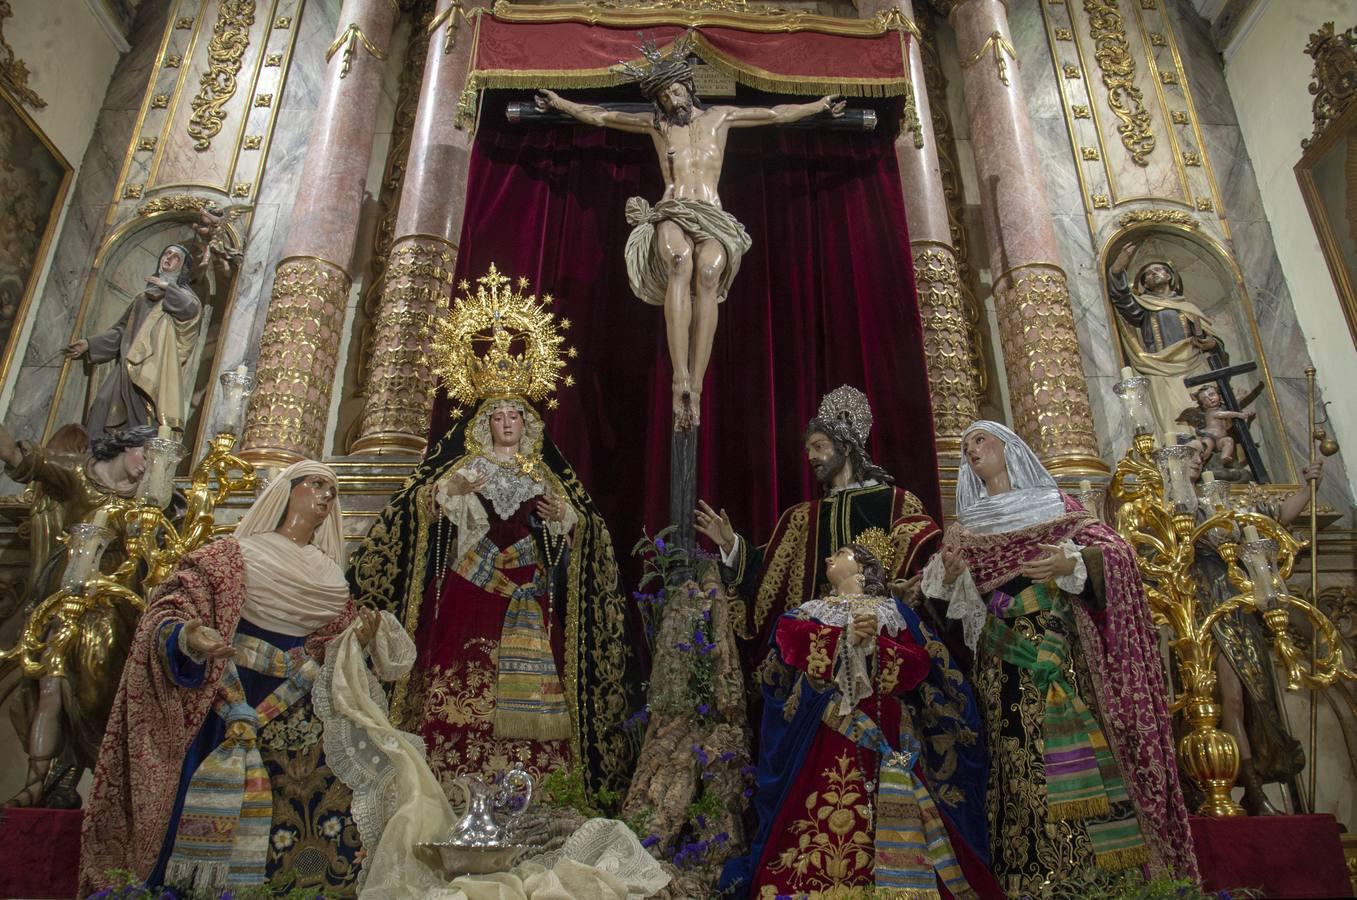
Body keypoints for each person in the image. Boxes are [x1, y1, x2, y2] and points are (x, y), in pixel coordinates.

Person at [696, 385, 990, 865]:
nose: (811, 457)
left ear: (846, 445)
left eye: (818, 447)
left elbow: (926, 567)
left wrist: (910, 590)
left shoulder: (896, 504)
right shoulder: (799, 518)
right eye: (808, 449)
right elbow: (765, 582)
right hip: (815, 672)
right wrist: (733, 548)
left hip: (881, 663)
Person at [79, 460, 385, 895]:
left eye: (332, 491)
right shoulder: (231, 555)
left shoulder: (331, 578)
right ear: (287, 491)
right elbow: (171, 607)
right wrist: (187, 635)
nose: (326, 496)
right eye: (316, 484)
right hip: (224, 695)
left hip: (291, 705)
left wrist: (359, 643)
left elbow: (332, 652)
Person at [921, 421, 1197, 893]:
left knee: (1082, 747)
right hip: (1003, 661)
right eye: (965, 448)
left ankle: (1111, 879)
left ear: (1009, 448)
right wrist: (950, 580)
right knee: (1016, 758)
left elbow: (1117, 554)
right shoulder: (966, 531)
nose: (971, 452)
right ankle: (1034, 879)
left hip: (1060, 651)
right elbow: (946, 612)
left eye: (980, 441)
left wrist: (1072, 564)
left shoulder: (1057, 507)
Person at [536, 33, 844, 429]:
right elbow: (602, 116)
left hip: (713, 214)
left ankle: (695, 383)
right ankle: (679, 374)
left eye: (676, 91)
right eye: (663, 97)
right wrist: (562, 103)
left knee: (710, 273)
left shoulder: (720, 118)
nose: (671, 101)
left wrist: (818, 105)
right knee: (680, 262)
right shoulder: (657, 127)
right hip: (673, 209)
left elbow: (775, 114)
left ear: (688, 87)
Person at [348, 396, 639, 796]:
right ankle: (445, 784)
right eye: (498, 417)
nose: (506, 424)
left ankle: (533, 789)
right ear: (486, 425)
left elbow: (579, 524)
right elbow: (424, 506)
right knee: (456, 667)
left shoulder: (543, 474)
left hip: (524, 589)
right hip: (471, 585)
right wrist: (452, 489)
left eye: (513, 417)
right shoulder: (467, 468)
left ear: (526, 425)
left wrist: (562, 517)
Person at [721, 543, 1002, 898]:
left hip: (886, 727)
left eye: (838, 553)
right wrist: (845, 641)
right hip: (828, 723)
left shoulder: (893, 612)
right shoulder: (810, 611)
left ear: (864, 566)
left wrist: (873, 650)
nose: (827, 557)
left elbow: (919, 661)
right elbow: (788, 639)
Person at [0, 423, 154, 809]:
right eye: (145, 455)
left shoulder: (151, 502)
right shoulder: (78, 476)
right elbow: (27, 462)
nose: (147, 466)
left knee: (96, 693)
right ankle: (35, 783)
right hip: (64, 599)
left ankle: (68, 775)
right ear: (126, 446)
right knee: (50, 688)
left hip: (112, 611)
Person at [1183, 436, 1319, 814]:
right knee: (1222, 701)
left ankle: (1260, 792)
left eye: (1203, 454)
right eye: (1191, 452)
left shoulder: (1225, 505)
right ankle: (1236, 789)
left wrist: (1309, 485)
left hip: (1236, 605)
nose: (1198, 459)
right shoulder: (1173, 508)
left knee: (1252, 697)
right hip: (1199, 611)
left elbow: (1278, 516)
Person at [65, 244, 202, 437]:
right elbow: (123, 331)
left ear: (183, 268)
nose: (169, 258)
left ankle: (136, 461)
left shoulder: (184, 300)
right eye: (166, 253)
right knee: (103, 403)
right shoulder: (142, 299)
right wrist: (90, 344)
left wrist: (168, 287)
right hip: (127, 366)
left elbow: (190, 310)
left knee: (143, 420)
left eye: (176, 257)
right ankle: (93, 459)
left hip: (153, 370)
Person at [1108, 241, 1223, 433]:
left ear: (1170, 276)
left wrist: (1210, 343)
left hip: (1195, 367)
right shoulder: (1143, 306)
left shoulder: (1188, 307)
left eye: (1158, 270)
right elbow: (1122, 300)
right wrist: (1118, 268)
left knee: (1208, 417)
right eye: (1148, 273)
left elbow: (1214, 340)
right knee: (1174, 420)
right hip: (1160, 368)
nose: (1153, 273)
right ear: (1143, 283)